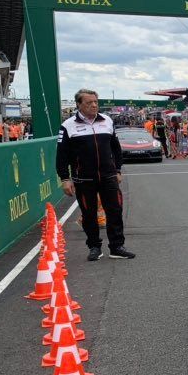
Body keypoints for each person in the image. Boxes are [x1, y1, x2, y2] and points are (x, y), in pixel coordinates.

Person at [56, 89, 135, 261]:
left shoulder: (107, 120)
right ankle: (94, 247)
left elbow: (116, 148)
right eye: (89, 102)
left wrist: (118, 169)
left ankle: (117, 247)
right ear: (79, 104)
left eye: (95, 102)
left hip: (108, 176)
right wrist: (65, 178)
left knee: (115, 211)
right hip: (83, 179)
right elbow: (61, 155)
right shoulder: (68, 125)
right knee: (89, 215)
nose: (93, 105)